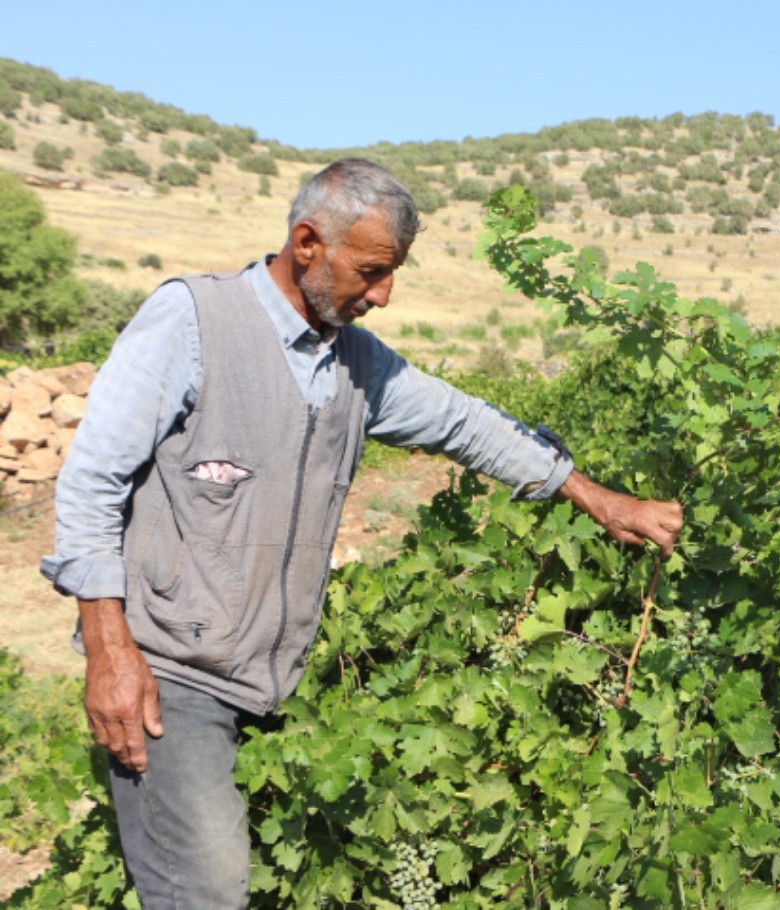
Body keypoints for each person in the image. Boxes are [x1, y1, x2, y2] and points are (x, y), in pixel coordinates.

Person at [41, 157, 683, 909]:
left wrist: (596, 497)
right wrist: (111, 651)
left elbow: (462, 422)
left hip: (269, 677)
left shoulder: (354, 362)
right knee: (204, 893)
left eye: (392, 274)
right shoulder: (192, 322)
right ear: (308, 242)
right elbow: (91, 484)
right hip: (169, 673)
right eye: (372, 271)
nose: (382, 295)